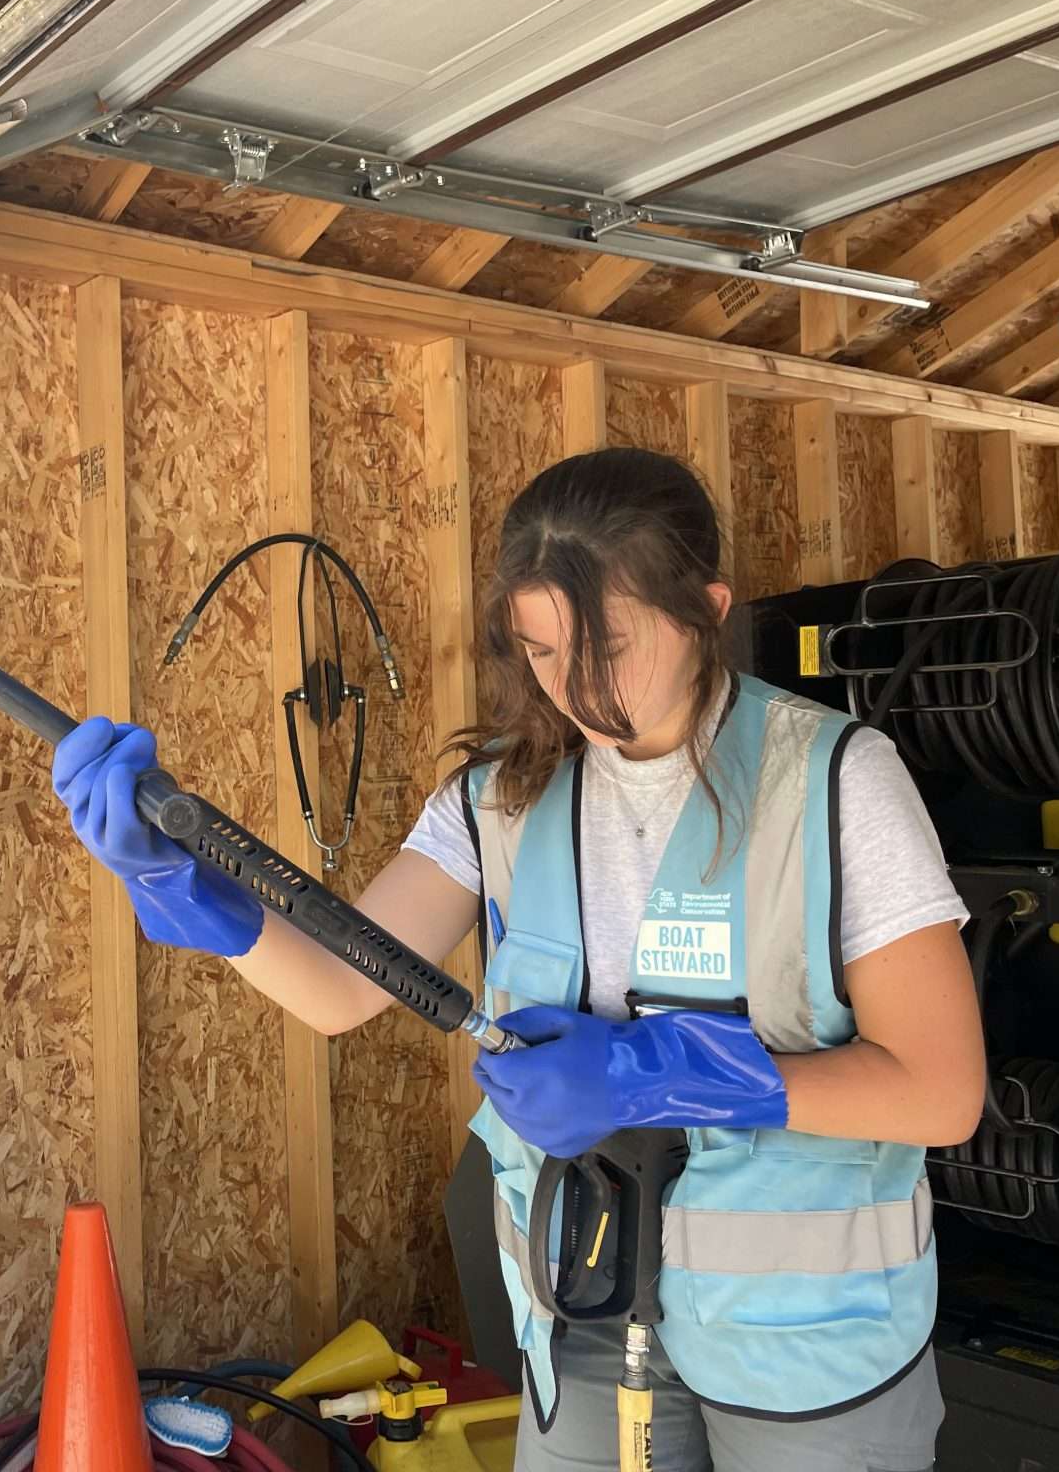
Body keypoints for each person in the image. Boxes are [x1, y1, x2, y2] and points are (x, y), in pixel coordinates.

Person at [52, 445, 987, 1471]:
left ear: (708, 608)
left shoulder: (833, 782)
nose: (577, 690)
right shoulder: (496, 800)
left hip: (810, 1355)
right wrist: (182, 887)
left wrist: (652, 1072)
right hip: (580, 1315)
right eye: (542, 652)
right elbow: (333, 989)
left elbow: (937, 1093)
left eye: (610, 646)